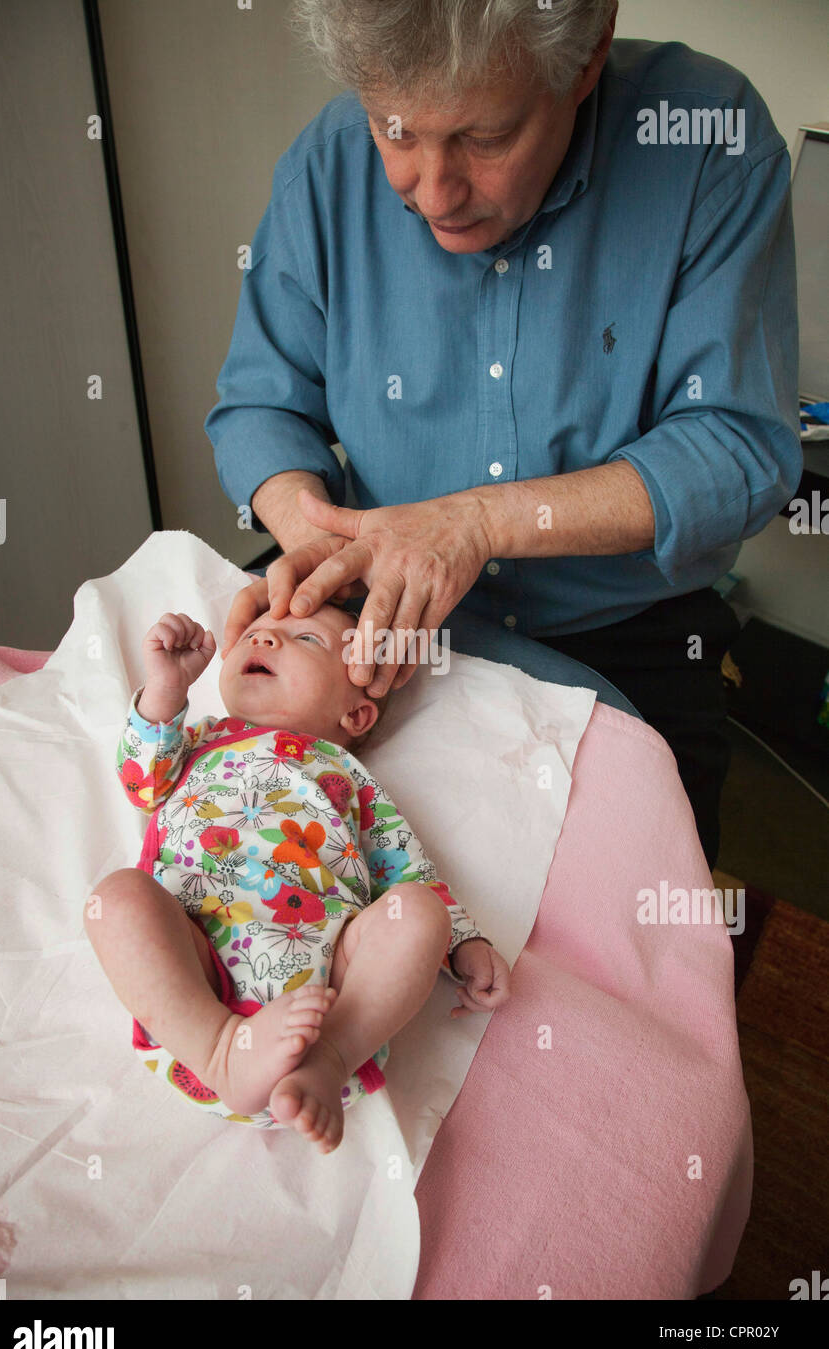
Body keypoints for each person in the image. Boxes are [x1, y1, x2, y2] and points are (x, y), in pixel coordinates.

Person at [203, 0, 802, 870]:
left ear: (587, 55)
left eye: (486, 138)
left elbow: (739, 447)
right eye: (396, 132)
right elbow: (260, 405)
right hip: (369, 602)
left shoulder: (706, 140)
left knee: (638, 900)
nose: (432, 192)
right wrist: (317, 544)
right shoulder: (328, 164)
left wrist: (477, 524)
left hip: (618, 628)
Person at [86, 606, 507, 1155]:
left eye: (305, 637)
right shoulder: (198, 741)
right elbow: (141, 784)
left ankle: (329, 1059)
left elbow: (406, 869)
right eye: (257, 632)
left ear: (356, 715)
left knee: (416, 911)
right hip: (198, 963)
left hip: (329, 982)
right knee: (117, 898)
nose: (264, 634)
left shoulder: (347, 777)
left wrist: (460, 938)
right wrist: (166, 688)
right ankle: (220, 1049)